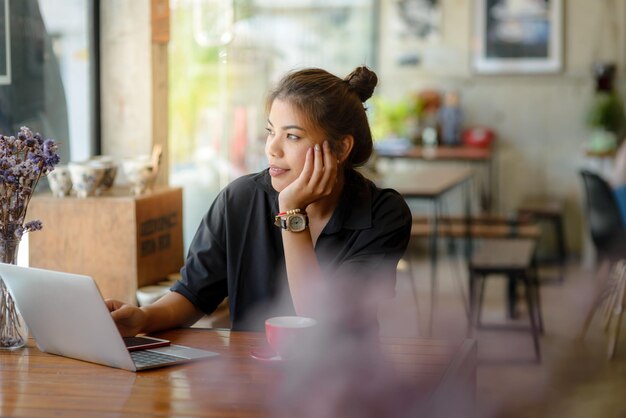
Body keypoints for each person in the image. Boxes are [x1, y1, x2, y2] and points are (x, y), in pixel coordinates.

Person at [105, 66, 412, 334]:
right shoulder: (239, 199)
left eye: (292, 136)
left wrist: (291, 212)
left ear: (341, 148)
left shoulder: (383, 213)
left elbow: (320, 318)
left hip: (344, 386)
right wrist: (143, 318)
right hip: (249, 380)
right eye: (270, 132)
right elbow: (193, 294)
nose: (272, 149)